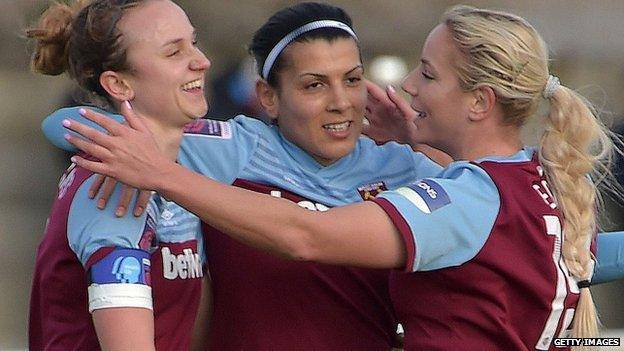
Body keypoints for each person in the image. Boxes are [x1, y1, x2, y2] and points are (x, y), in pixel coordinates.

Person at [61, 5, 624, 350]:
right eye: (313, 85)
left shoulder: (433, 180)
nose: (405, 88)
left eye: (426, 74)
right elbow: (564, 254)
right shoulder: (517, 180)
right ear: (267, 99)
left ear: (480, 101)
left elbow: (305, 236)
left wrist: (160, 174)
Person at [27, 0, 210, 350]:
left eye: (194, 42)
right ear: (119, 84)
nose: (202, 61)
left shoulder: (186, 152)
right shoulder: (112, 189)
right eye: (174, 52)